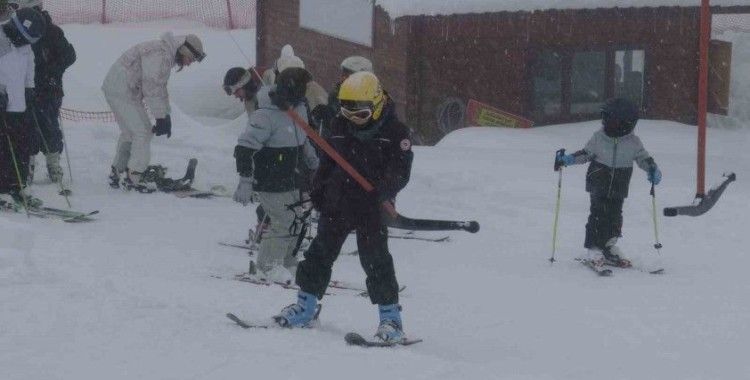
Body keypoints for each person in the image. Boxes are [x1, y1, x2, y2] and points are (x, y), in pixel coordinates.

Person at [273, 72, 413, 344]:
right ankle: (306, 307)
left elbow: (400, 172)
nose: (352, 121)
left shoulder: (396, 133)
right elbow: (328, 161)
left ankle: (391, 319)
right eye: (347, 113)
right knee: (318, 254)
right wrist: (319, 190)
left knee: (376, 261)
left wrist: (382, 191)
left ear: (377, 104)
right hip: (338, 201)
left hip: (372, 205)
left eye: (359, 114)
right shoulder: (340, 124)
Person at [232, 66, 320, 284]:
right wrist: (245, 180)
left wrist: (314, 163)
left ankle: (288, 262)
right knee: (283, 221)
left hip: (292, 178)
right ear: (292, 88)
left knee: (297, 220)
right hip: (269, 179)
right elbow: (244, 148)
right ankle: (266, 267)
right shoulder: (265, 115)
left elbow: (304, 139)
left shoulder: (299, 109)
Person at [557, 97, 662, 267]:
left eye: (610, 120)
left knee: (615, 216)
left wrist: (652, 169)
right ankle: (594, 247)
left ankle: (608, 246)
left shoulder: (633, 142)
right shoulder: (599, 138)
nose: (607, 123)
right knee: (598, 214)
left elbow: (644, 158)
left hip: (620, 184)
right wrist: (568, 159)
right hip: (599, 181)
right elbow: (585, 153)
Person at [102, 32, 205, 193]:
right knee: (142, 132)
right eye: (190, 59)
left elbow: (160, 88)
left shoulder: (165, 54)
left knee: (131, 132)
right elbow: (152, 87)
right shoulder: (160, 54)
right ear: (185, 51)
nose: (189, 64)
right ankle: (133, 178)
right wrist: (160, 117)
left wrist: (166, 116)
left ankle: (117, 172)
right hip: (122, 89)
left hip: (122, 88)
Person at [9, 0, 76, 183]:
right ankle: (27, 166)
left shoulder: (51, 31)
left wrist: (51, 73)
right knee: (26, 127)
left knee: (49, 127)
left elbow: (69, 55)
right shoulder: (18, 28)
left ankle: (53, 163)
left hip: (48, 90)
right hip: (26, 89)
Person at [0, 7, 46, 209]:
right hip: (2, 102)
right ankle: (2, 190)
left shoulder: (25, 47)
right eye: (23, 39)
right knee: (3, 148)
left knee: (22, 146)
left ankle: (18, 185)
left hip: (18, 105)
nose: (24, 45)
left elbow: (30, 66)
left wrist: (30, 89)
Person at [324, 56, 373, 136]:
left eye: (348, 76)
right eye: (343, 75)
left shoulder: (374, 102)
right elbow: (330, 124)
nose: (343, 79)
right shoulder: (335, 95)